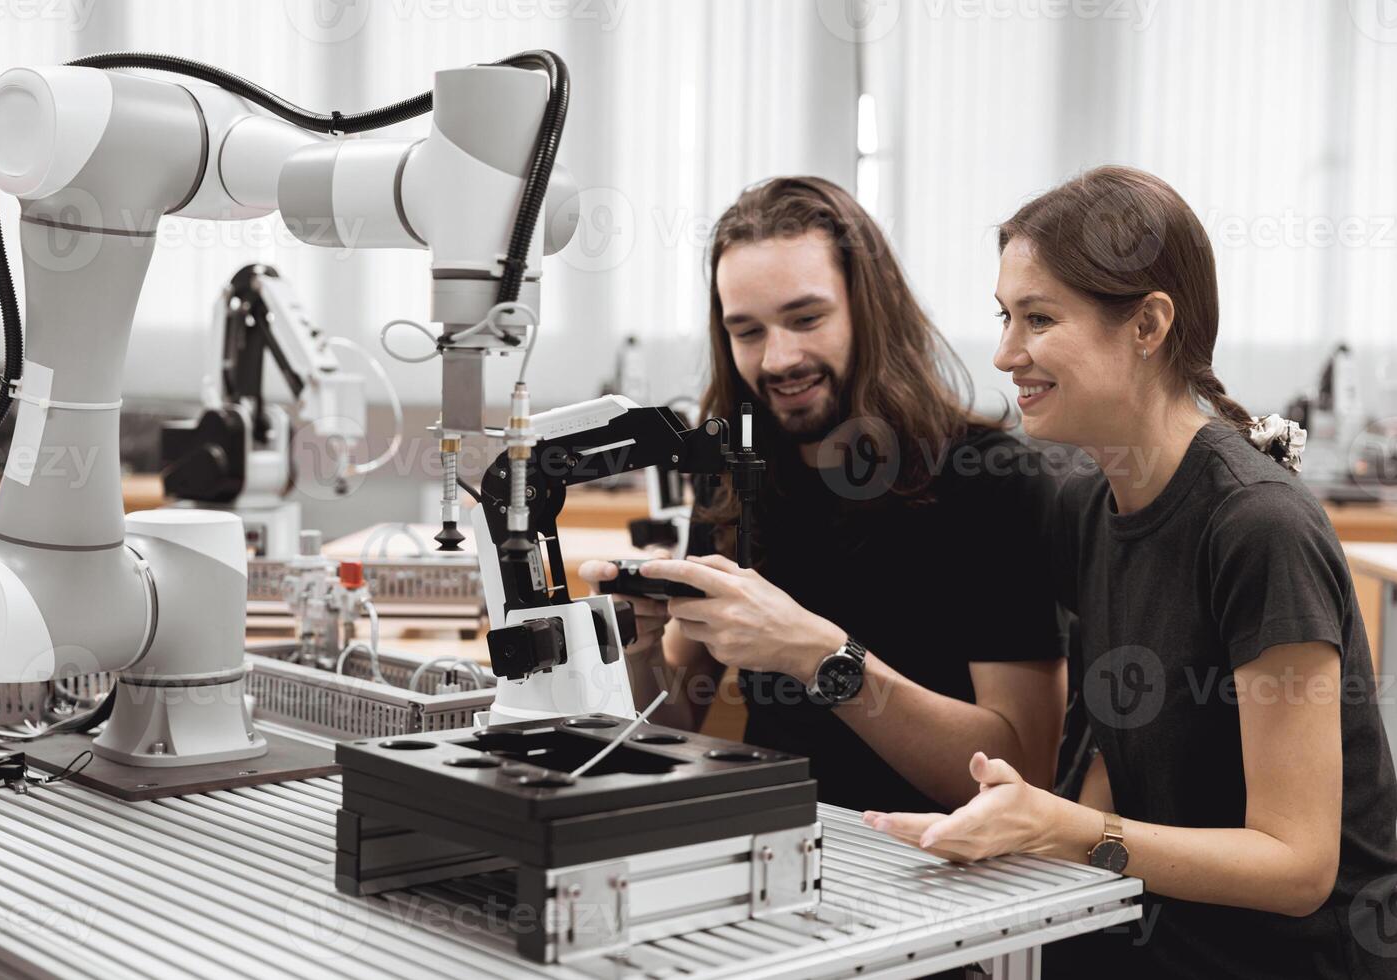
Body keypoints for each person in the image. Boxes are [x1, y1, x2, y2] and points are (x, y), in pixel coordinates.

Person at [864, 166, 1397, 978]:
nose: (1007, 353)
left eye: (1039, 318)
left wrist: (1061, 830)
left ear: (1147, 324)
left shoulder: (1258, 526)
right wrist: (1013, 836)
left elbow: (1298, 868)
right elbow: (1113, 764)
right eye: (1006, 317)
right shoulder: (1087, 504)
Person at [580, 176, 1065, 816]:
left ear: (869, 308)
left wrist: (816, 655)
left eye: (806, 319)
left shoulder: (993, 480)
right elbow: (676, 715)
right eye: (747, 331)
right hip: (774, 841)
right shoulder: (733, 475)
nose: (779, 358)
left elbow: (1023, 772)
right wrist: (638, 646)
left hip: (936, 870)